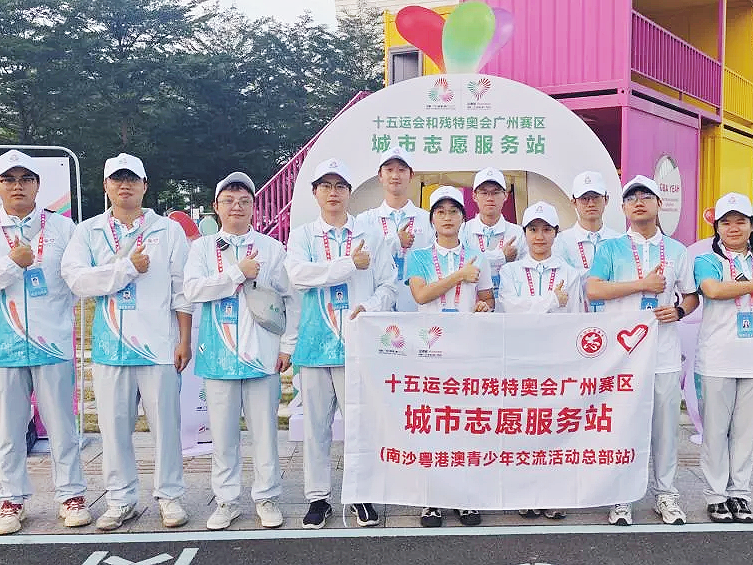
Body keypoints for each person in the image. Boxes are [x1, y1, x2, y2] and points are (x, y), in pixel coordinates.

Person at [61, 153, 192, 531]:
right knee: (114, 429)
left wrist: (184, 340)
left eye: (132, 178)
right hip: (110, 347)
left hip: (158, 346)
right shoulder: (88, 231)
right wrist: (126, 269)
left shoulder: (167, 230)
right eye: (117, 179)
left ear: (145, 185)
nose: (125, 185)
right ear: (106, 186)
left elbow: (181, 289)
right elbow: (77, 280)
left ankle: (169, 496)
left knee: (165, 427)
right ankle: (121, 500)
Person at [285, 158, 397, 529]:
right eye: (326, 186)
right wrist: (348, 265)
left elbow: (388, 284)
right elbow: (298, 276)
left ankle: (361, 493)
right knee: (316, 428)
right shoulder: (303, 236)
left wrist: (371, 306)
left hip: (357, 346)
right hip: (315, 345)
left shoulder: (370, 234)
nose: (333, 193)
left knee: (359, 424)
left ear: (349, 192)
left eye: (340, 186)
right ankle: (318, 498)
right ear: (315, 192)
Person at [183, 172, 299, 530]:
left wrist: (287, 345)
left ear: (253, 207)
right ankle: (226, 501)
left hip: (262, 356)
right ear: (216, 207)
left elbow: (291, 299)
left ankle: (267, 497)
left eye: (244, 201)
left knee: (264, 433)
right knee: (223, 436)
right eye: (229, 201)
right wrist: (236, 273)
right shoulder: (202, 249)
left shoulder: (271, 248)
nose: (237, 207)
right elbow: (193, 291)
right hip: (218, 357)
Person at [587, 175, 698, 527]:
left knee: (665, 428)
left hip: (664, 352)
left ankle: (666, 493)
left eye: (646, 196)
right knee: (623, 425)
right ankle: (622, 496)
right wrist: (642, 285)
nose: (638, 202)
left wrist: (679, 311)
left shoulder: (677, 250)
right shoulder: (610, 249)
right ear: (623, 208)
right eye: (632, 197)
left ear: (658, 204)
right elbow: (593, 290)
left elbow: (691, 296)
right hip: (623, 356)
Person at [0, 150, 90, 535]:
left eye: (25, 179)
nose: (17, 186)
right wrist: (12, 263)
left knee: (61, 425)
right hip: (4, 346)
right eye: (9, 179)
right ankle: (11, 499)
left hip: (52, 343)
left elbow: (77, 279)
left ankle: (71, 495)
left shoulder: (63, 228)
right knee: (8, 429)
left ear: (38, 185)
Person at [406, 185, 494, 527]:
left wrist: (485, 306)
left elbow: (487, 298)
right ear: (432, 219)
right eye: (440, 212)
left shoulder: (477, 256)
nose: (447, 217)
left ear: (463, 218)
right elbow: (422, 295)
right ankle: (431, 500)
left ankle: (465, 497)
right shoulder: (418, 257)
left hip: (467, 350)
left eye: (453, 211)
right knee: (432, 424)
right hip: (430, 351)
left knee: (465, 424)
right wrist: (458, 276)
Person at [496, 200, 580, 520]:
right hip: (522, 357)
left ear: (556, 233)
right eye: (533, 229)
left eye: (546, 229)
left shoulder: (570, 274)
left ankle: (554, 493)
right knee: (523, 425)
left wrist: (538, 306)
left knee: (555, 425)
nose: (540, 236)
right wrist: (550, 301)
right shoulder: (510, 271)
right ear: (524, 233)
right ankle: (524, 492)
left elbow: (573, 318)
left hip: (557, 359)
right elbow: (510, 309)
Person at [693, 193, 753, 523]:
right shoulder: (708, 259)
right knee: (715, 432)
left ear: (750, 226)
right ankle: (716, 495)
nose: (733, 228)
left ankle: (741, 494)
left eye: (740, 221)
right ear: (716, 227)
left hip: (750, 359)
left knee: (746, 433)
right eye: (726, 222)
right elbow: (713, 290)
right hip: (717, 357)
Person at [356, 146, 433, 311]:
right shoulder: (365, 220)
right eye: (389, 170)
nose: (395, 176)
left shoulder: (427, 220)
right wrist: (394, 241)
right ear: (380, 175)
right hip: (376, 307)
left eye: (401, 170)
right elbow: (363, 260)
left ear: (411, 175)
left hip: (416, 307)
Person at [553, 171, 621, 312]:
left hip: (613, 317)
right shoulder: (560, 242)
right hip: (577, 317)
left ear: (606, 199)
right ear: (574, 202)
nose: (591, 203)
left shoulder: (619, 241)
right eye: (584, 198)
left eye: (596, 197)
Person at [460, 167, 526, 298]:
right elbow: (462, 266)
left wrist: (481, 258)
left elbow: (525, 269)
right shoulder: (463, 230)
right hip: (472, 302)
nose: (490, 198)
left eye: (495, 193)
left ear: (505, 195)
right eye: (484, 193)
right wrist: (501, 257)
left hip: (508, 302)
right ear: (474, 196)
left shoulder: (518, 232)